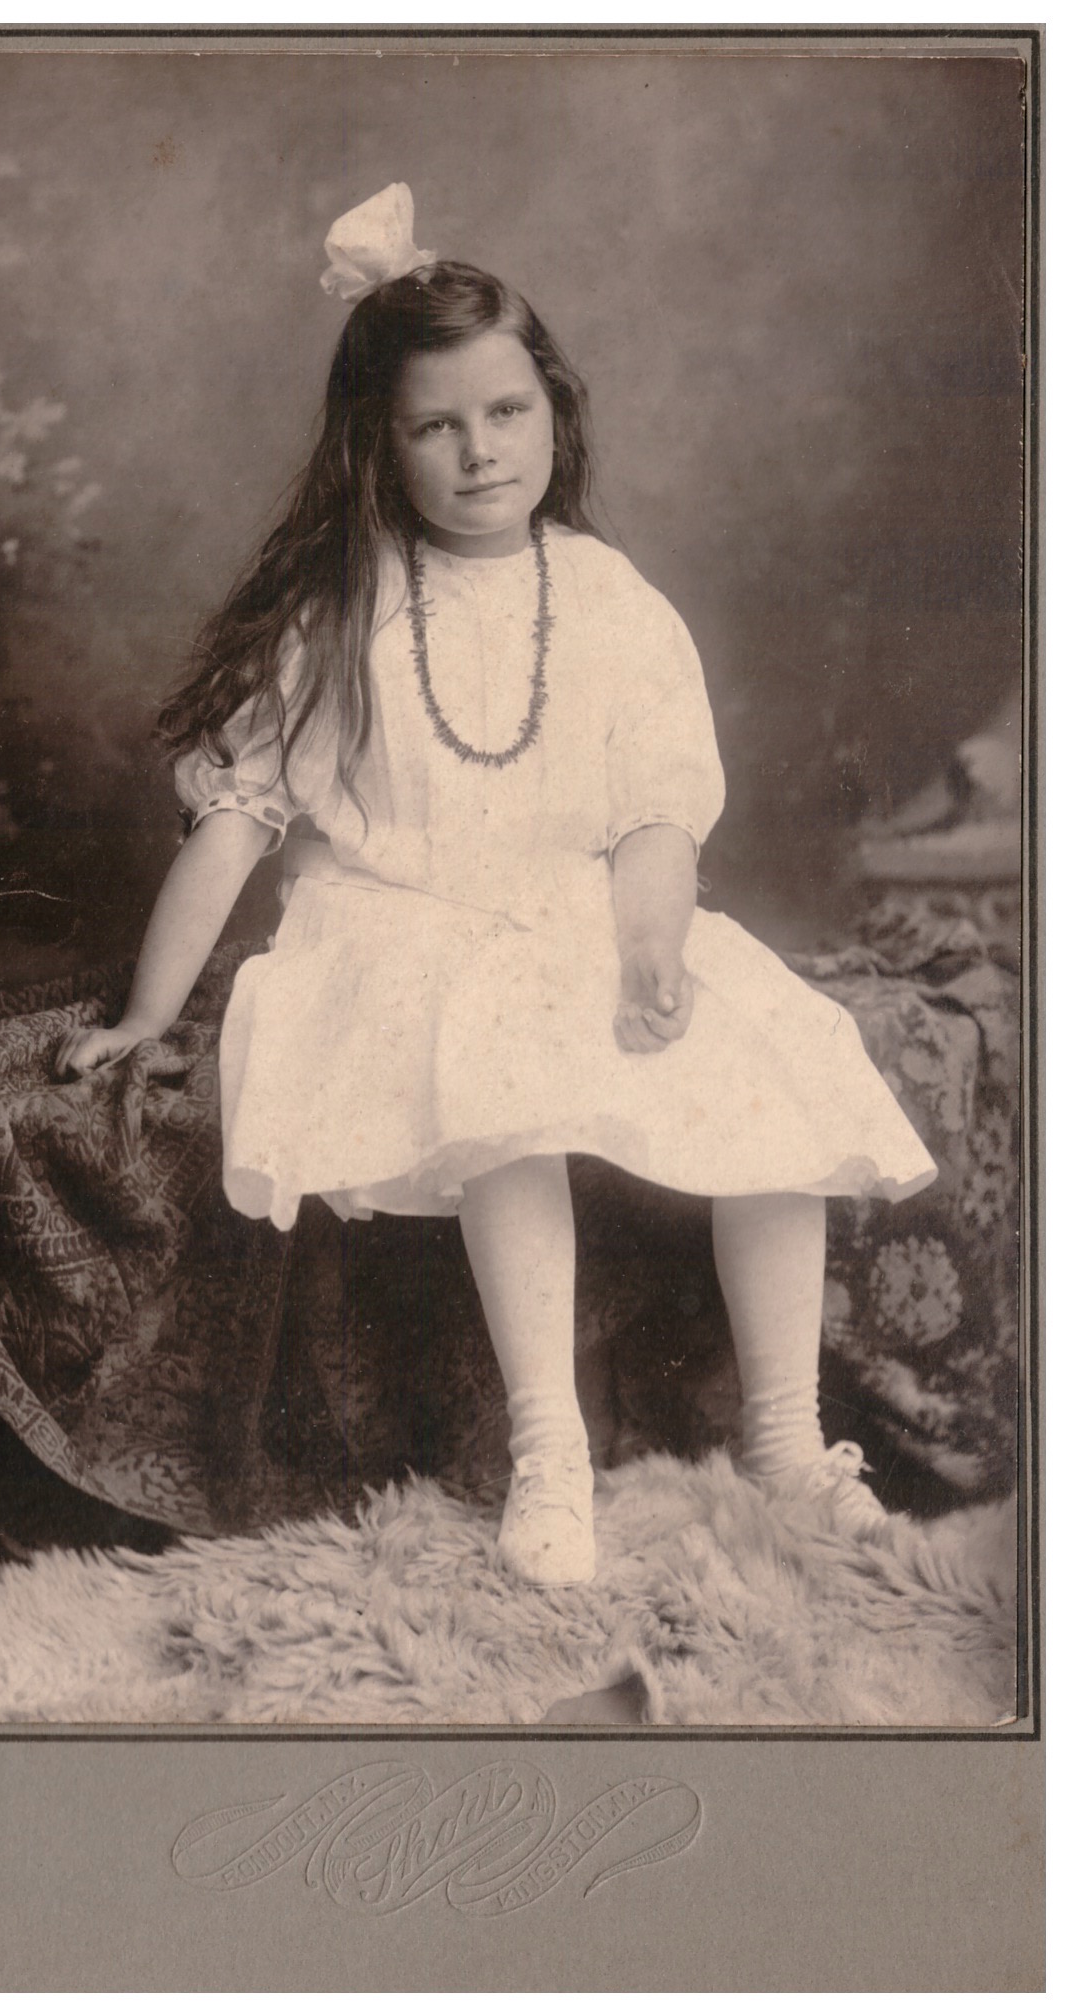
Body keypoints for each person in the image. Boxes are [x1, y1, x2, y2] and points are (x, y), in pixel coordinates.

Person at [56, 185, 937, 1587]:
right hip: (397, 926)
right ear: (379, 443)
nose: (480, 451)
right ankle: (550, 1454)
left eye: (507, 412)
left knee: (767, 1076)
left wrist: (653, 949)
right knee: (503, 1088)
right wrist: (148, 1016)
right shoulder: (340, 614)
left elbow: (656, 811)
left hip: (575, 913)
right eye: (436, 426)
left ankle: (785, 1440)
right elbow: (234, 826)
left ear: (553, 415)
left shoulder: (606, 597)